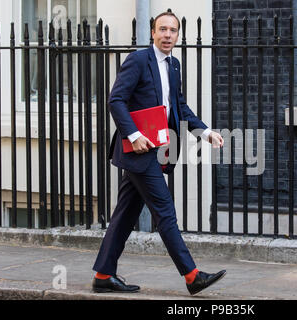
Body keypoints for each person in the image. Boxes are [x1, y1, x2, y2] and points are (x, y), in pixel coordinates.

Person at [91, 11, 226, 296]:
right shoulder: (139, 60)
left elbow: (178, 106)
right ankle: (192, 276)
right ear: (153, 32)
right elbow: (116, 99)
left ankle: (103, 274)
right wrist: (134, 135)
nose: (167, 35)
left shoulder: (173, 65)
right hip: (140, 151)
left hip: (158, 148)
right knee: (165, 211)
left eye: (173, 30)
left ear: (178, 35)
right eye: (162, 29)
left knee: (125, 214)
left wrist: (205, 131)